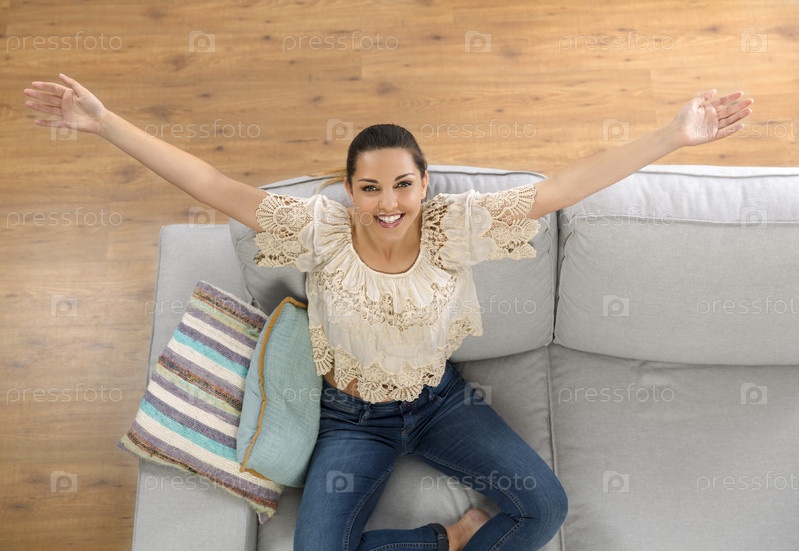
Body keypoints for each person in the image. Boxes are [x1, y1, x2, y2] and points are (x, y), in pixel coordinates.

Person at [25, 74, 752, 551]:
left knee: (545, 508)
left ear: (424, 183)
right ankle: (446, 541)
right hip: (351, 418)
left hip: (440, 403)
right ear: (349, 190)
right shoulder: (318, 230)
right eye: (370, 187)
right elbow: (213, 182)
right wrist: (106, 122)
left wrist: (672, 135)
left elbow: (561, 188)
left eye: (402, 184)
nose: (388, 203)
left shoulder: (455, 224)